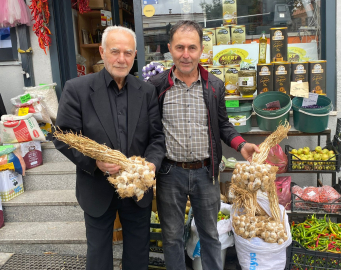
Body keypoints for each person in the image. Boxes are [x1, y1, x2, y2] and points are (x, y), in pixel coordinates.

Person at [148, 20, 260, 270]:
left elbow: (224, 124)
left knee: (210, 235)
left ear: (201, 50)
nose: (185, 55)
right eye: (179, 48)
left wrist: (242, 145)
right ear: (170, 49)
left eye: (192, 48)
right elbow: (150, 131)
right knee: (172, 237)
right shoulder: (156, 86)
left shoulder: (214, 86)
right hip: (169, 173)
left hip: (206, 173)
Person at [53, 26, 165, 270]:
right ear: (102, 52)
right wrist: (95, 163)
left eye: (128, 53)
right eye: (115, 51)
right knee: (99, 254)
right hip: (96, 187)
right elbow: (63, 137)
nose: (121, 59)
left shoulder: (146, 91)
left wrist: (150, 165)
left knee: (138, 252)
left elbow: (157, 137)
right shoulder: (77, 89)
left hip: (137, 189)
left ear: (135, 55)